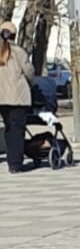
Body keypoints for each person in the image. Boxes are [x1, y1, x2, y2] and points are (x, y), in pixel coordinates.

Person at [0, 21, 35, 175]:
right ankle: (15, 164)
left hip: (2, 98)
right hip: (18, 97)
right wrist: (32, 85)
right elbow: (29, 72)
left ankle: (11, 161)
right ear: (14, 35)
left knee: (8, 129)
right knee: (17, 129)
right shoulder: (19, 52)